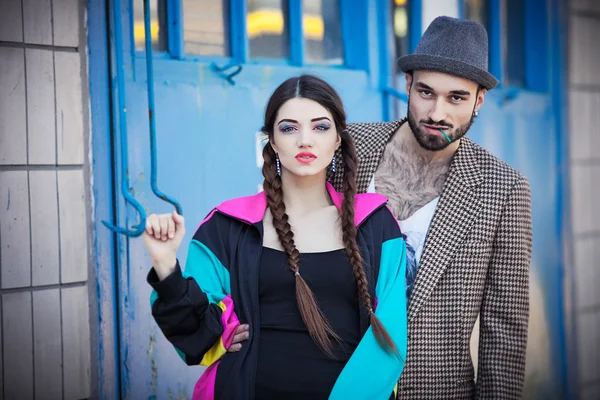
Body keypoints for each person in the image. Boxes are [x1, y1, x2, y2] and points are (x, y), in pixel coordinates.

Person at [143, 75, 408, 400]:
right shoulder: (227, 226)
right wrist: (166, 265)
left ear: (338, 139)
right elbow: (196, 339)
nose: (305, 140)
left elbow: (390, 338)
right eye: (289, 128)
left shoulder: (376, 225)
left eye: (320, 127)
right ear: (270, 140)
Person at [330, 16, 532, 399]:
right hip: (337, 381)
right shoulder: (349, 147)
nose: (438, 112)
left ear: (479, 100)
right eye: (426, 92)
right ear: (407, 85)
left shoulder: (503, 189)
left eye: (456, 97)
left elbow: (504, 332)